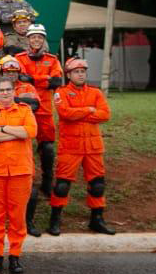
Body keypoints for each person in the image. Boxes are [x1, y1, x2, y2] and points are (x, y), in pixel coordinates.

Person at [0, 77, 38, 274]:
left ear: (14, 91)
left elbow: (31, 131)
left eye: (8, 90)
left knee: (17, 217)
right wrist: (17, 133)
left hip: (20, 171)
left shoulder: (25, 110)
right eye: (1, 90)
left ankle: (14, 256)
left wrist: (2, 129)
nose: (5, 93)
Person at [49, 58, 114, 236]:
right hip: (70, 147)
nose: (80, 74)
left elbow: (105, 114)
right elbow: (65, 113)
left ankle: (97, 220)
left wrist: (79, 113)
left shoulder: (96, 92)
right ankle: (55, 219)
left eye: (83, 72)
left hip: (93, 147)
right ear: (68, 75)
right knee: (62, 186)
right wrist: (89, 110)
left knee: (98, 185)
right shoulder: (61, 92)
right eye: (76, 72)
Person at [15, 23, 63, 234]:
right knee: (23, 145)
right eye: (32, 37)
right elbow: (20, 78)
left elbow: (56, 81)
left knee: (48, 148)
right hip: (25, 109)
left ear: (43, 40)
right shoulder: (19, 58)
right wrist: (44, 80)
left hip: (44, 111)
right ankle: (26, 180)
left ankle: (47, 180)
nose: (36, 40)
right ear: (28, 39)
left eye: (39, 37)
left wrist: (34, 79)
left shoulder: (52, 60)